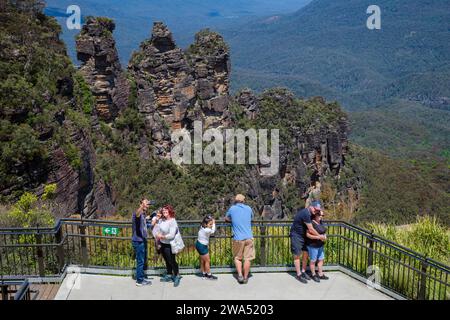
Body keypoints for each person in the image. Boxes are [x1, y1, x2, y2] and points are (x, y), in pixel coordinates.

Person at [290, 200, 326, 284]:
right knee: (297, 255)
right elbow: (311, 229)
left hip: (303, 236)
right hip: (296, 235)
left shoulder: (312, 213)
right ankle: (298, 275)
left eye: (317, 210)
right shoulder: (305, 213)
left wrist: (319, 212)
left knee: (305, 254)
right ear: (310, 206)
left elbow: (319, 215)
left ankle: (303, 271)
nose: (315, 211)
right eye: (314, 209)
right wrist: (320, 236)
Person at [225, 194, 255, 284]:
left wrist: (232, 221)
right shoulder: (249, 208)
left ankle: (240, 276)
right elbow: (252, 218)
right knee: (248, 258)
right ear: (243, 201)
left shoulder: (232, 209)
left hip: (238, 238)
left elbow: (226, 218)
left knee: (238, 258)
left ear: (236, 201)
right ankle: (246, 277)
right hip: (249, 237)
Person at [155, 205, 181, 287]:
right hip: (163, 243)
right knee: (166, 260)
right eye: (163, 211)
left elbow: (172, 235)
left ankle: (177, 275)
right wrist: (159, 241)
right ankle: (169, 274)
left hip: (170, 244)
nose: (164, 212)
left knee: (172, 261)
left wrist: (162, 236)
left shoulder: (172, 221)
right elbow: (158, 229)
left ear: (170, 212)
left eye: (166, 211)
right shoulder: (162, 220)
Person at [131, 198, 152, 287]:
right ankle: (139, 281)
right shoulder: (138, 214)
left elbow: (144, 224)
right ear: (141, 204)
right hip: (138, 241)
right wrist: (142, 206)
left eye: (148, 204)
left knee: (141, 261)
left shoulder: (143, 215)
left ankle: (141, 277)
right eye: (145, 204)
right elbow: (137, 214)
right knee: (140, 262)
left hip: (141, 240)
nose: (147, 205)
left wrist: (150, 219)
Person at [306, 211, 329, 282]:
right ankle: (313, 274)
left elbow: (323, 232)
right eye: (320, 215)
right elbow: (308, 235)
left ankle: (320, 274)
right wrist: (318, 237)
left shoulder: (321, 222)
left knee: (321, 259)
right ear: (315, 215)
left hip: (320, 245)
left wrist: (324, 236)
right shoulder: (312, 223)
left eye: (322, 215)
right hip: (313, 245)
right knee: (313, 260)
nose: (321, 216)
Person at [195, 215, 218, 280]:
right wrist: (214, 223)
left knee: (203, 261)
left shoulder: (202, 227)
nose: (211, 225)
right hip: (202, 246)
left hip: (199, 244)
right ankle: (209, 275)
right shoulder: (207, 230)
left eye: (211, 224)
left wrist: (210, 219)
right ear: (205, 224)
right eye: (210, 224)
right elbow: (213, 231)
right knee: (207, 261)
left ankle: (204, 274)